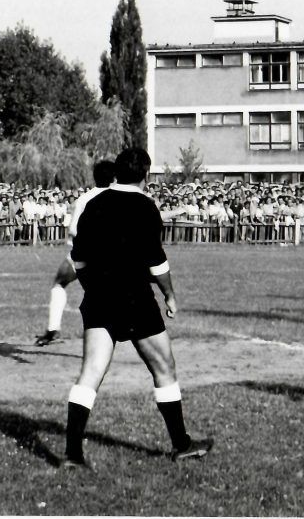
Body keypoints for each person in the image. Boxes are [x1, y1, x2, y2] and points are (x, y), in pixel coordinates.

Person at [62, 147, 213, 466]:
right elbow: (156, 262)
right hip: (134, 299)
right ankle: (181, 443)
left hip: (99, 299)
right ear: (146, 174)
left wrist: (94, 287)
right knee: (164, 367)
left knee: (90, 372)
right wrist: (169, 295)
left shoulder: (93, 203)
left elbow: (78, 259)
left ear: (116, 171)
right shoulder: (146, 207)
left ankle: (73, 454)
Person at [35, 159, 116, 347]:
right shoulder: (118, 199)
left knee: (60, 283)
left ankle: (53, 329)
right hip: (109, 257)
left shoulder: (84, 199)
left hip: (82, 254)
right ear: (113, 178)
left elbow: (73, 230)